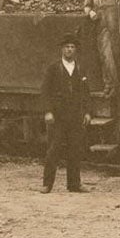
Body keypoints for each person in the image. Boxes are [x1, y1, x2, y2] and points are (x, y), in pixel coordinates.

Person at [40, 34, 92, 193]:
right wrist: (48, 111)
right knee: (53, 150)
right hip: (58, 116)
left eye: (72, 47)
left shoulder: (80, 68)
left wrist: (87, 112)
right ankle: (47, 184)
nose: (69, 50)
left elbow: (85, 93)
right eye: (67, 47)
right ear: (62, 49)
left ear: (75, 50)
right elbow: (45, 91)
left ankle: (74, 184)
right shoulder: (53, 68)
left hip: (76, 115)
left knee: (75, 150)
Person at [84, 0, 118, 96]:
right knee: (105, 53)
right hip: (100, 19)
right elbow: (86, 5)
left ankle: (116, 84)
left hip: (114, 17)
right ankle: (108, 83)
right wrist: (90, 12)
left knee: (116, 51)